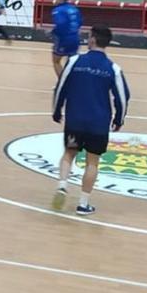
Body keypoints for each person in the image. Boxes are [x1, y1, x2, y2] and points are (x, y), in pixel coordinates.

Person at [51, 25, 130, 216]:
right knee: (92, 162)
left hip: (75, 120)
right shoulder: (113, 68)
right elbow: (122, 96)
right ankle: (83, 203)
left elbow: (61, 86)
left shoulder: (74, 61)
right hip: (98, 124)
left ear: (92, 40)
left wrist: (56, 110)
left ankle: (62, 185)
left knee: (69, 153)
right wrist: (119, 119)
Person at [50, 0, 83, 78]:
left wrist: (53, 32)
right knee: (71, 61)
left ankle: (63, 83)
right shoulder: (74, 9)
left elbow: (60, 24)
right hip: (75, 38)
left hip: (63, 39)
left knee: (56, 61)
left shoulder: (58, 10)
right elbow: (80, 23)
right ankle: (73, 82)